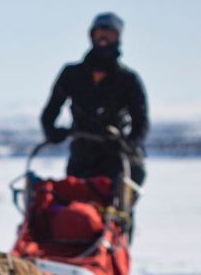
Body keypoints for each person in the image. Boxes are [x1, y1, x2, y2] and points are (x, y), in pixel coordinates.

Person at [41, 12, 149, 186]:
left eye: (110, 34)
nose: (104, 39)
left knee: (115, 207)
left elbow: (141, 122)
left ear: (118, 38)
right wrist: (52, 132)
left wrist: (128, 144)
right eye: (99, 34)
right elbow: (49, 112)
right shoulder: (72, 74)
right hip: (81, 159)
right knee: (76, 208)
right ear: (91, 36)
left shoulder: (128, 79)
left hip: (116, 159)